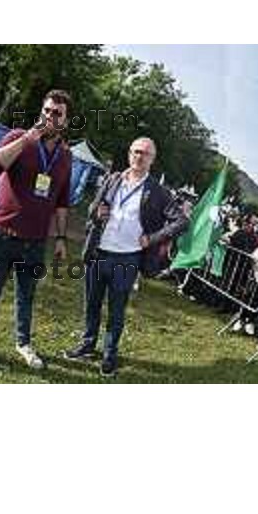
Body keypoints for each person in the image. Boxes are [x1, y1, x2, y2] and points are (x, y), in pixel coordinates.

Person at [65, 137, 188, 376]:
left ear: (152, 159)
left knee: (116, 310)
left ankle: (110, 355)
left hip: (126, 259)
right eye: (135, 152)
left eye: (144, 153)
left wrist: (152, 239)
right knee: (91, 303)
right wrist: (97, 212)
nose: (138, 157)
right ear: (129, 154)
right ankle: (87, 345)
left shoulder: (158, 191)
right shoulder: (113, 179)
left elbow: (182, 221)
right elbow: (92, 210)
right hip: (99, 252)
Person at [0, 89, 73, 378]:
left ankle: (23, 343)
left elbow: (63, 200)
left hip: (35, 241)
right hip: (2, 235)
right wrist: (26, 140)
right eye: (47, 110)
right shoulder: (18, 136)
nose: (49, 116)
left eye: (57, 113)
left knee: (26, 296)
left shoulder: (65, 157)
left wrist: (62, 239)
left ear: (65, 120)